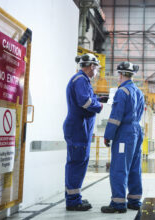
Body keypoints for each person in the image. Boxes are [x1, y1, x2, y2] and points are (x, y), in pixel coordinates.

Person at [63, 53, 108, 211]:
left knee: (78, 163)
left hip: (81, 128)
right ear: (91, 66)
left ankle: (74, 197)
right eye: (96, 68)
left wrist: (97, 99)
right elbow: (85, 101)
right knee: (76, 164)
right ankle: (73, 201)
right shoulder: (81, 80)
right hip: (78, 128)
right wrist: (99, 106)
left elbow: (89, 98)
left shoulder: (82, 80)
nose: (97, 71)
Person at [101, 61, 145, 213]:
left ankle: (118, 203)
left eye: (118, 75)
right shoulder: (139, 92)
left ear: (121, 74)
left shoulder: (122, 92)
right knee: (134, 166)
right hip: (137, 131)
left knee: (119, 167)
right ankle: (134, 200)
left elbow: (115, 117)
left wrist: (108, 135)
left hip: (124, 134)